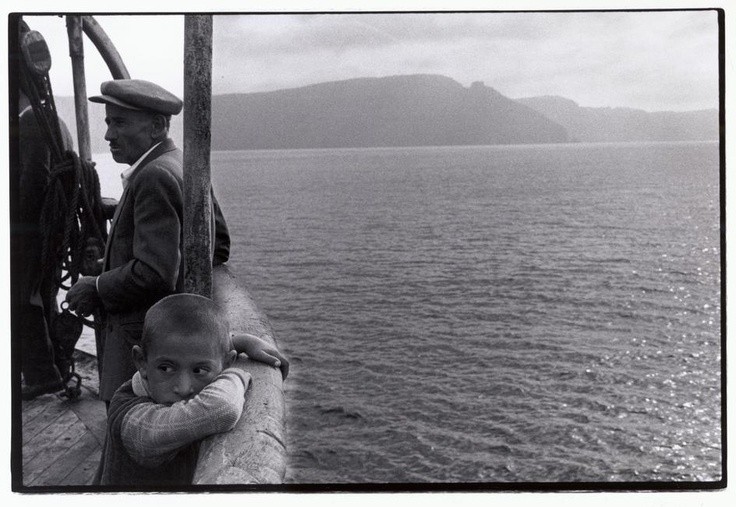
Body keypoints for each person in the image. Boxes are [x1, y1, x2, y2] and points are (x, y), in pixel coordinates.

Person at [65, 79, 234, 402]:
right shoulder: (183, 163)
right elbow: (219, 244)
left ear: (157, 126)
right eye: (108, 122)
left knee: (126, 432)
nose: (109, 135)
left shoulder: (153, 177)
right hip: (177, 342)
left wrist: (96, 285)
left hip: (141, 349)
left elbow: (154, 273)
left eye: (120, 122)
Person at [94, 293, 266, 486]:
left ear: (225, 362)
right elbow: (222, 408)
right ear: (141, 362)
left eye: (199, 370)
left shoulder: (160, 383)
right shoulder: (132, 419)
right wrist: (237, 375)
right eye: (166, 368)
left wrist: (239, 342)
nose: (183, 388)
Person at [13, 86, 73, 400]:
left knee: (23, 299)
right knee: (42, 296)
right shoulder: (53, 121)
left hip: (28, 232)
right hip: (48, 231)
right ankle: (58, 368)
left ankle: (41, 375)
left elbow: (32, 183)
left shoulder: (30, 121)